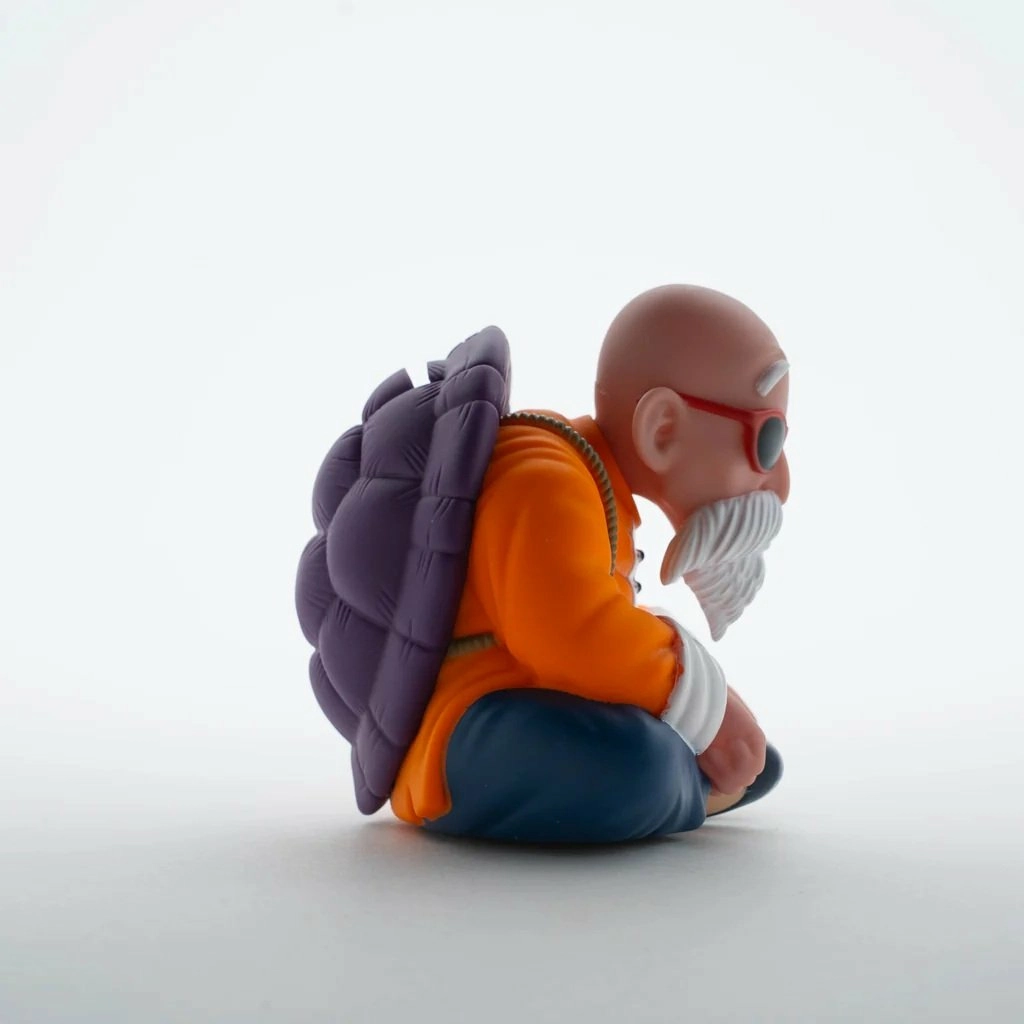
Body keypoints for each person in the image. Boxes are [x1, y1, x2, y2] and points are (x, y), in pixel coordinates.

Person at [388, 283, 792, 842]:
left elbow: (597, 630)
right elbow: (572, 637)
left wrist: (709, 712)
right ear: (663, 429)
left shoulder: (593, 483)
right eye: (767, 441)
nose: (781, 482)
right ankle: (680, 786)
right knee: (641, 768)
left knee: (726, 757)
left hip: (536, 697)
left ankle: (685, 782)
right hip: (463, 734)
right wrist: (710, 710)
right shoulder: (544, 479)